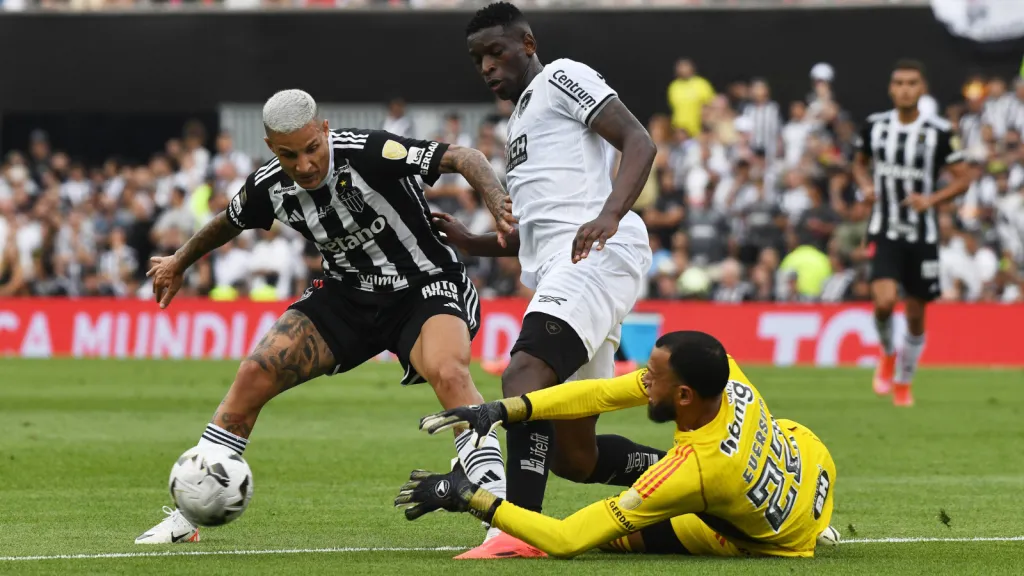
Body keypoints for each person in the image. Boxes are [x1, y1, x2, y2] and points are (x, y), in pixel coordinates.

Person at [136, 89, 515, 545]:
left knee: (448, 372)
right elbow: (229, 220)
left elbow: (463, 156)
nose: (305, 165)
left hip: (425, 285)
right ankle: (188, 514)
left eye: (312, 148)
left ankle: (500, 521)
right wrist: (179, 260)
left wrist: (499, 205)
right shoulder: (269, 185)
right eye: (288, 154)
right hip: (346, 296)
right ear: (272, 148)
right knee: (256, 372)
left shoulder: (369, 151)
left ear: (325, 131)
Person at [436, 2, 664, 558]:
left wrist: (610, 213)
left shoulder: (564, 76)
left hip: (593, 253)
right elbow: (530, 233)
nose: (488, 66)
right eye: (478, 59)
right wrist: (474, 242)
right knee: (574, 457)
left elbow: (639, 140)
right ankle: (703, 478)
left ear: (528, 44)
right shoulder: (519, 122)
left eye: (497, 51)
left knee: (524, 375)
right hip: (566, 263)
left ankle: (517, 530)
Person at [398, 331, 839, 559]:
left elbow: (568, 539)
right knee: (756, 445)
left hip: (782, 536)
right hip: (813, 465)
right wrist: (501, 410)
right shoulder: (723, 372)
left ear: (684, 396)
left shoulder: (695, 468)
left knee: (607, 539)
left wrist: (471, 496)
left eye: (653, 378)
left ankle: (806, 532)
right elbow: (599, 394)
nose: (643, 382)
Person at [852, 60, 972, 407]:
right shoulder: (874, 126)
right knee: (885, 302)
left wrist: (931, 199)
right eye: (899, 82)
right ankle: (888, 353)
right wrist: (864, 185)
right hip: (884, 229)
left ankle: (904, 381)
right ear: (891, 89)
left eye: (912, 83)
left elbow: (964, 177)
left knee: (917, 314)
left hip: (922, 235)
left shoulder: (938, 131)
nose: (905, 89)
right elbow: (859, 162)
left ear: (922, 89)